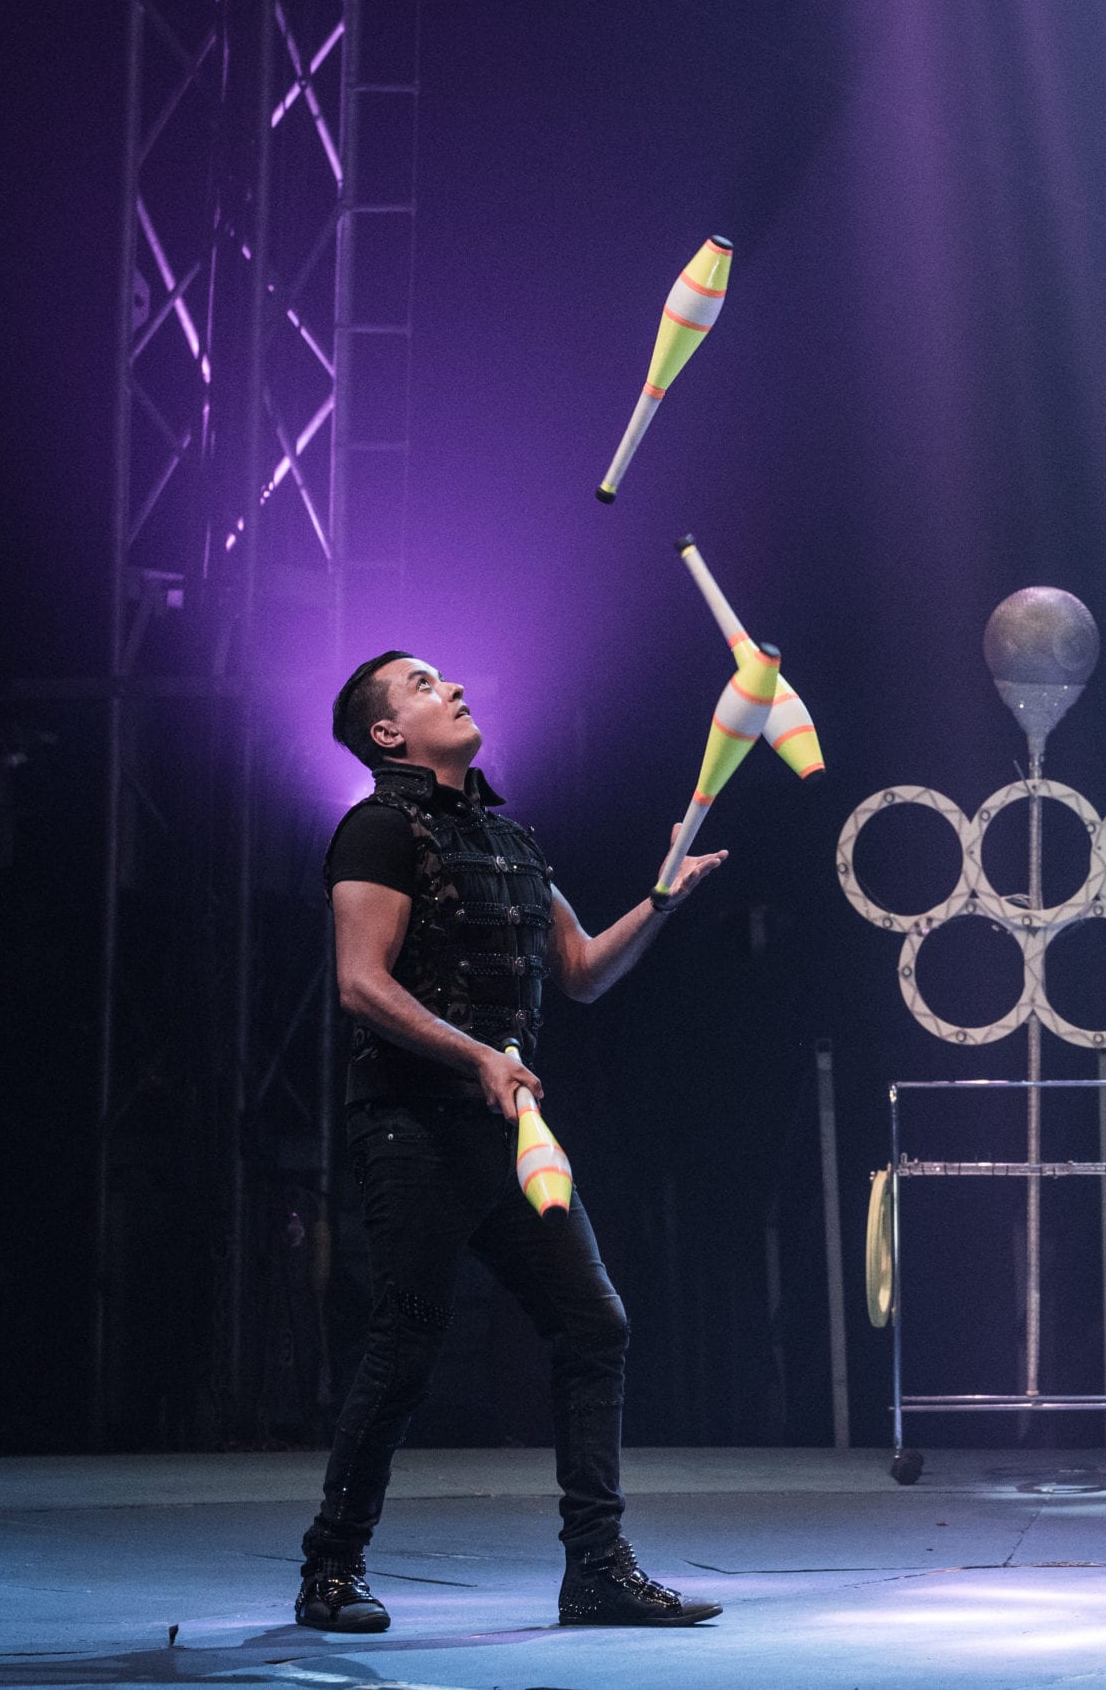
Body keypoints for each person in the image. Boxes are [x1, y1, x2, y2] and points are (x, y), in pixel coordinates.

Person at [295, 650, 725, 1632]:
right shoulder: (376, 828)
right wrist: (479, 1056)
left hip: (506, 1130)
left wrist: (662, 897)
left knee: (594, 1325)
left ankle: (597, 1570)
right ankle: (330, 1569)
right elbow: (361, 981)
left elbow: (581, 971)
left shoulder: (510, 840)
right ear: (387, 734)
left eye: (443, 678)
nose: (449, 688)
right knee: (407, 1343)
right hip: (413, 1125)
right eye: (421, 685)